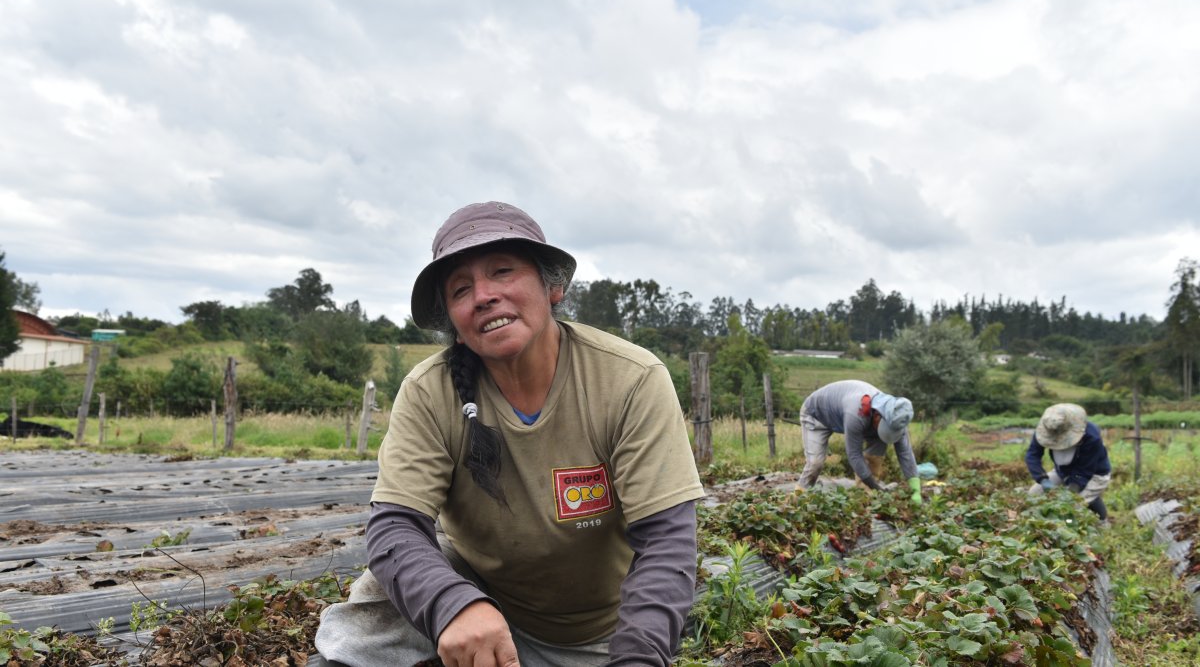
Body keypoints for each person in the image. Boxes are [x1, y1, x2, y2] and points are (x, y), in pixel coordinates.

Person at [315, 201, 705, 667]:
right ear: (455, 325)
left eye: (502, 271)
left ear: (552, 286)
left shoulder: (630, 378)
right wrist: (453, 605)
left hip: (598, 636)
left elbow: (666, 542)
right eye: (461, 289)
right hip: (482, 612)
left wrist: (638, 658)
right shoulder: (429, 391)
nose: (483, 296)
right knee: (376, 598)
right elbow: (394, 526)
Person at [796, 379, 922, 503]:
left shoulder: (897, 416)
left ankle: (864, 499)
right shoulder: (856, 413)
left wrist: (915, 489)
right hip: (816, 415)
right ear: (878, 415)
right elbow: (854, 455)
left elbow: (905, 452)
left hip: (848, 416)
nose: (888, 432)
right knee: (815, 463)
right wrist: (876, 488)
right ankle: (799, 499)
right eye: (886, 428)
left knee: (876, 452)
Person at [1025, 403, 1111, 521]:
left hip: (1094, 474)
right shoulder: (1047, 429)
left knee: (1070, 507)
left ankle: (1100, 524)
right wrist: (1043, 479)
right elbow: (1032, 455)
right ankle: (1037, 522)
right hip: (1063, 471)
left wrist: (1069, 493)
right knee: (1035, 493)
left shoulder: (1091, 437)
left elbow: (1084, 471)